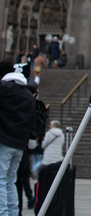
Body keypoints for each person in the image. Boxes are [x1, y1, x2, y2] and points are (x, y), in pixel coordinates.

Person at [0, 61, 36, 216]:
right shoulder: (28, 95)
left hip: (4, 140)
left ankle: (3, 212)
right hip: (20, 144)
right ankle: (13, 212)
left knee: (1, 179)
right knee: (11, 180)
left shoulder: (4, 89)